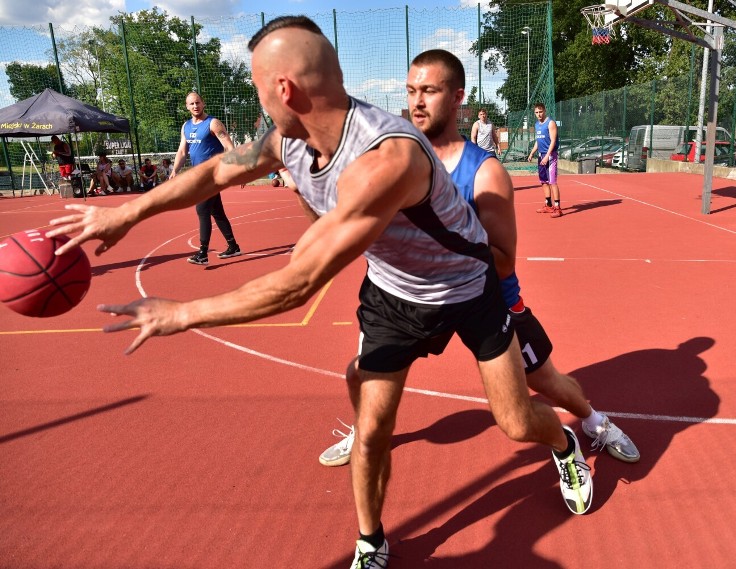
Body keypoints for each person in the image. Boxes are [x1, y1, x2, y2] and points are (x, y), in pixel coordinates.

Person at [48, 17, 590, 569]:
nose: (261, 105)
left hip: (465, 288)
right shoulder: (289, 139)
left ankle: (565, 446)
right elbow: (215, 173)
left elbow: (301, 281)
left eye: (260, 91)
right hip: (394, 295)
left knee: (517, 422)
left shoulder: (386, 159)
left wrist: (182, 312)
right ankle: (371, 539)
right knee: (372, 429)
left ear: (284, 89)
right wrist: (127, 211)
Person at [321, 49, 638, 469]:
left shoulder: (483, 172)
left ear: (457, 98)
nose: (417, 101)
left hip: (488, 299)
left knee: (544, 382)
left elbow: (503, 261)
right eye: (411, 91)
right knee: (362, 373)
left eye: (429, 91)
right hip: (413, 301)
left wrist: (428, 240)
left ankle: (594, 422)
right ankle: (365, 433)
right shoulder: (390, 159)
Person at [172, 91, 241, 265]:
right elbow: (182, 151)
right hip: (198, 175)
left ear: (203, 103)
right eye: (191, 104)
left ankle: (202, 253)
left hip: (212, 175)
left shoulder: (213, 123)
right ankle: (233, 246)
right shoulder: (186, 126)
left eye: (198, 103)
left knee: (202, 210)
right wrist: (174, 171)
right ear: (187, 106)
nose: (195, 106)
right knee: (216, 211)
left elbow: (228, 145)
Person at [526, 102, 563, 218]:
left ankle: (558, 208)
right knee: (543, 181)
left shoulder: (550, 123)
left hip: (551, 156)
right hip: (541, 155)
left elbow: (552, 141)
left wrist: (547, 155)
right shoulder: (537, 125)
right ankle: (548, 205)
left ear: (545, 111)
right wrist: (532, 153)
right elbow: (538, 141)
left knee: (552, 182)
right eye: (536, 112)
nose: (539, 114)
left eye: (540, 112)